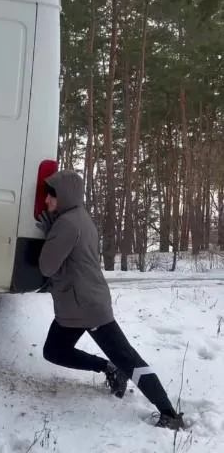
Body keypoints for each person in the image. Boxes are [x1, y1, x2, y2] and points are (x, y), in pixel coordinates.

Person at [36, 169, 185, 430]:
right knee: (54, 350)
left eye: (52, 196)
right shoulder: (81, 218)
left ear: (66, 196)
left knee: (129, 358)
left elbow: (47, 267)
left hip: (85, 307)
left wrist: (51, 237)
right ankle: (109, 368)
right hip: (80, 303)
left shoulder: (66, 224)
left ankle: (169, 414)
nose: (47, 201)